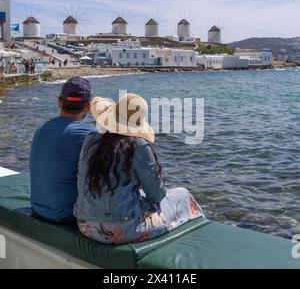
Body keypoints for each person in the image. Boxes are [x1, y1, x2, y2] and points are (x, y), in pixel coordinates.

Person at [74, 93, 205, 244]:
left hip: (85, 225)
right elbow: (157, 195)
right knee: (183, 195)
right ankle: (199, 239)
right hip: (121, 230)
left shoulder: (90, 140)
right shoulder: (138, 145)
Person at [30, 77, 97, 224]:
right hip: (66, 216)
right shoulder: (89, 135)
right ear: (87, 107)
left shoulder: (41, 129)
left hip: (37, 210)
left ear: (60, 102)